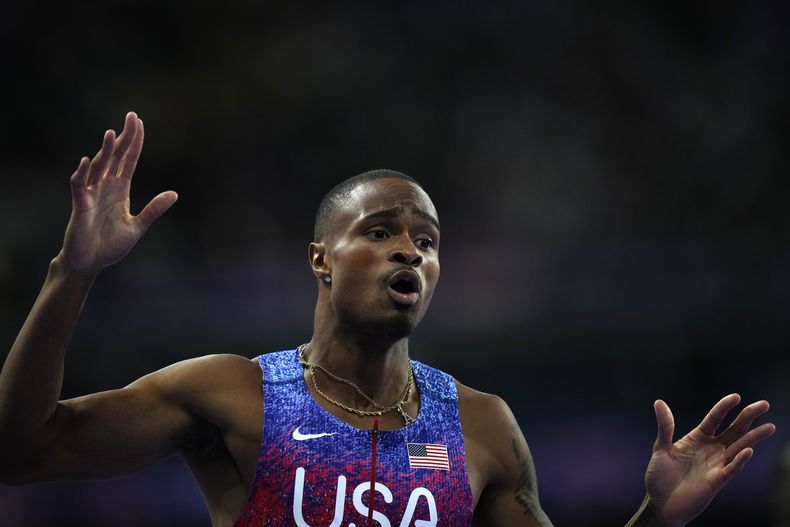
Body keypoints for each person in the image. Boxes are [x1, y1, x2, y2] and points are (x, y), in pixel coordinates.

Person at [0, 112, 776, 527]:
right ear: (320, 258)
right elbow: (20, 451)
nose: (409, 250)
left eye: (428, 241)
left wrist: (658, 516)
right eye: (380, 231)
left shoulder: (481, 425)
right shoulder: (232, 394)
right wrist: (72, 274)